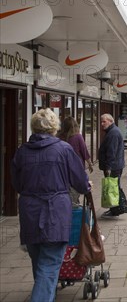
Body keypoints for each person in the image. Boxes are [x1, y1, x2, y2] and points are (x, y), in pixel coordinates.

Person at [11, 109, 90, 301]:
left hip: (29, 210)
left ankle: (47, 295)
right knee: (50, 263)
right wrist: (86, 185)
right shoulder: (63, 149)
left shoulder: (22, 151)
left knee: (38, 261)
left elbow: (16, 183)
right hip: (55, 210)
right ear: (55, 127)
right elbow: (80, 182)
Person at [57, 116, 94, 205]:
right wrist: (89, 163)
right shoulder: (78, 137)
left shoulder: (59, 137)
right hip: (76, 167)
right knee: (75, 188)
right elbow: (84, 150)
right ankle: (74, 203)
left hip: (62, 167)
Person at [98, 113, 127, 218]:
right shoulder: (112, 131)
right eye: (101, 121)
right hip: (115, 165)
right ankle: (114, 209)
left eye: (104, 121)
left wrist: (108, 167)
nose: (102, 124)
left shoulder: (113, 133)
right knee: (113, 187)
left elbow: (112, 152)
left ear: (111, 121)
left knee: (113, 188)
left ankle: (116, 210)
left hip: (114, 166)